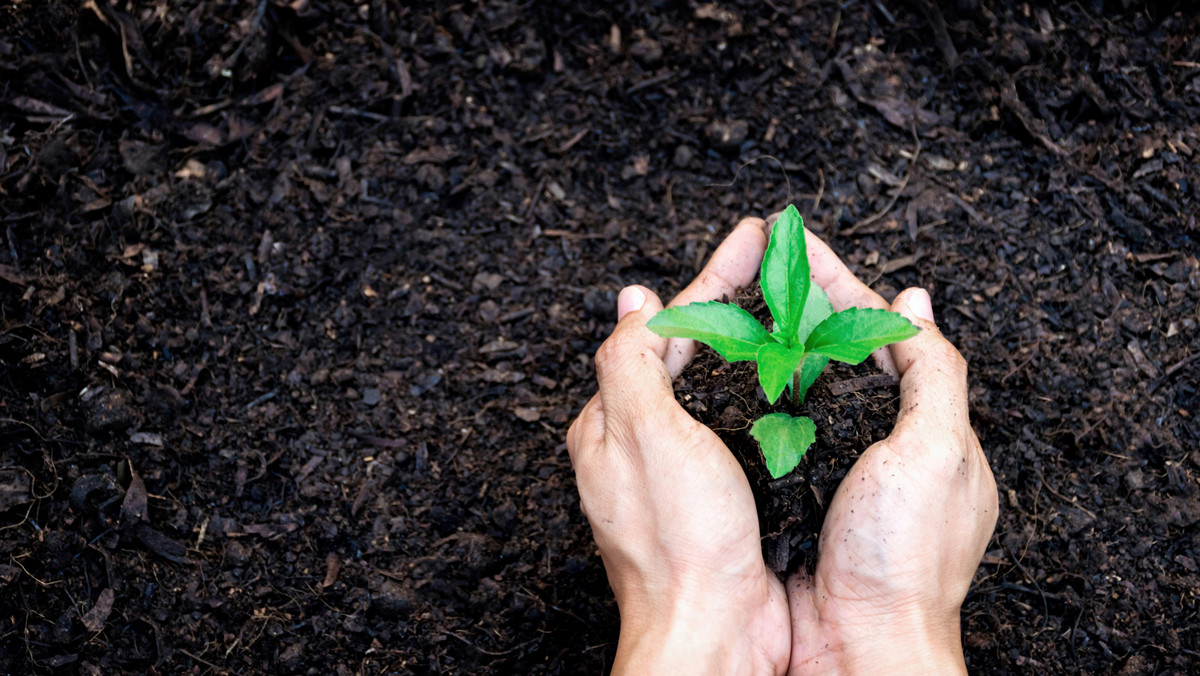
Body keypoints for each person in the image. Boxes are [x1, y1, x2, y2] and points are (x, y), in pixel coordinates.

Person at [567, 215, 999, 675]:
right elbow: (773, 406)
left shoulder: (794, 354)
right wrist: (893, 624)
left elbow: (784, 372)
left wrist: (687, 606)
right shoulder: (775, 359)